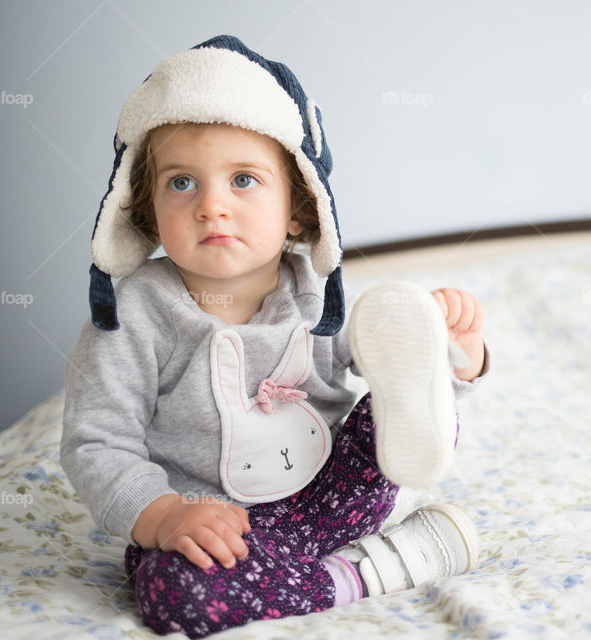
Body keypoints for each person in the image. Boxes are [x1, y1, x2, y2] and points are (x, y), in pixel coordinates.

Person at [60, 35, 491, 638]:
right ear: (148, 211)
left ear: (297, 207)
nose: (212, 205)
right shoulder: (134, 314)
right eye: (182, 183)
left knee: (388, 410)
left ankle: (434, 386)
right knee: (172, 593)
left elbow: (390, 369)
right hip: (212, 529)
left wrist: (453, 354)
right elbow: (96, 443)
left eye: (243, 180)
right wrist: (162, 517)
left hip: (332, 498)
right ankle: (364, 573)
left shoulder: (315, 297)